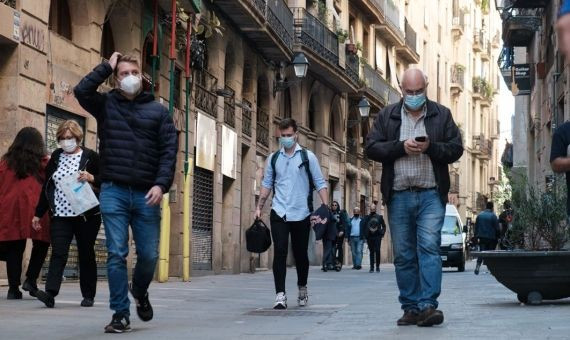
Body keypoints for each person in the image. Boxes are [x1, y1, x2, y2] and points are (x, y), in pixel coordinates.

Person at [73, 52, 178, 333]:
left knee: (149, 255)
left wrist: (160, 184)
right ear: (116, 79)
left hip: (147, 194)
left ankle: (140, 291)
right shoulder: (106, 104)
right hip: (113, 191)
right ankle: (120, 313)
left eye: (133, 72)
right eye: (122, 73)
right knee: (116, 253)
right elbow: (81, 91)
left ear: (141, 76)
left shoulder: (158, 112)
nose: (129, 77)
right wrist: (106, 66)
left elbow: (169, 152)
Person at [366, 68, 463, 327]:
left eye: (419, 91)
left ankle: (428, 306)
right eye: (409, 92)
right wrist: (400, 147)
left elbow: (456, 149)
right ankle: (410, 308)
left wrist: (430, 147)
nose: (414, 96)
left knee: (429, 248)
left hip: (431, 193)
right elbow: (371, 147)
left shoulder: (442, 115)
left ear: (426, 87)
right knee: (404, 254)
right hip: (398, 195)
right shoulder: (388, 116)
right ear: (401, 89)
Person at [256, 118, 328, 310]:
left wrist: (325, 206)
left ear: (296, 134)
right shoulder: (273, 158)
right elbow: (267, 184)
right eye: (283, 136)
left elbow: (320, 182)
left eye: (289, 135)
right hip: (279, 212)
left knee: (300, 254)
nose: (286, 139)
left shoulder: (307, 157)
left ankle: (302, 287)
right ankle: (280, 295)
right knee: (279, 251)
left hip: (301, 213)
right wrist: (259, 207)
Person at [33, 120, 102, 308]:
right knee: (58, 253)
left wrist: (91, 177)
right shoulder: (56, 157)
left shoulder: (91, 157)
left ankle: (88, 295)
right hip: (61, 215)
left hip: (86, 215)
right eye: (62, 138)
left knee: (86, 253)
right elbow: (47, 187)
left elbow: (107, 179)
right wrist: (38, 214)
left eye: (69, 138)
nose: (66, 141)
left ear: (78, 138)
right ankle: (50, 293)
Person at [0, 127, 50, 300]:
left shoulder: (5, 163)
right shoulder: (44, 162)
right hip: (37, 208)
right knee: (42, 243)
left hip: (10, 208)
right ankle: (30, 279)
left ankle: (13, 289)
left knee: (15, 247)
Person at [473, 202, 500, 275]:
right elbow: (497, 229)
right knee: (490, 253)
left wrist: (475, 237)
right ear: (492, 207)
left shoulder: (480, 216)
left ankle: (478, 266)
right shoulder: (493, 216)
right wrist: (499, 237)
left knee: (482, 252)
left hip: (482, 238)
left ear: (486, 206)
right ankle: (490, 268)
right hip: (491, 238)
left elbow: (476, 228)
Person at [363, 203, 386, 273]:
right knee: (371, 252)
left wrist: (382, 233)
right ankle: (372, 267)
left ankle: (378, 267)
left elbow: (384, 226)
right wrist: (365, 236)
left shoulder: (380, 217)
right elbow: (364, 226)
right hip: (370, 237)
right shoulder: (367, 217)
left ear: (375, 209)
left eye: (374, 208)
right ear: (370, 209)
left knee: (378, 251)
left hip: (377, 236)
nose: (372, 209)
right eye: (371, 208)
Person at [331, 201, 350, 271]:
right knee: (332, 249)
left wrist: (342, 231)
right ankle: (332, 263)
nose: (334, 206)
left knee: (339, 248)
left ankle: (339, 264)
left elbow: (344, 223)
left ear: (337, 206)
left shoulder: (341, 213)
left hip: (339, 234)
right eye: (333, 205)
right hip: (332, 234)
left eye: (335, 205)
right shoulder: (330, 213)